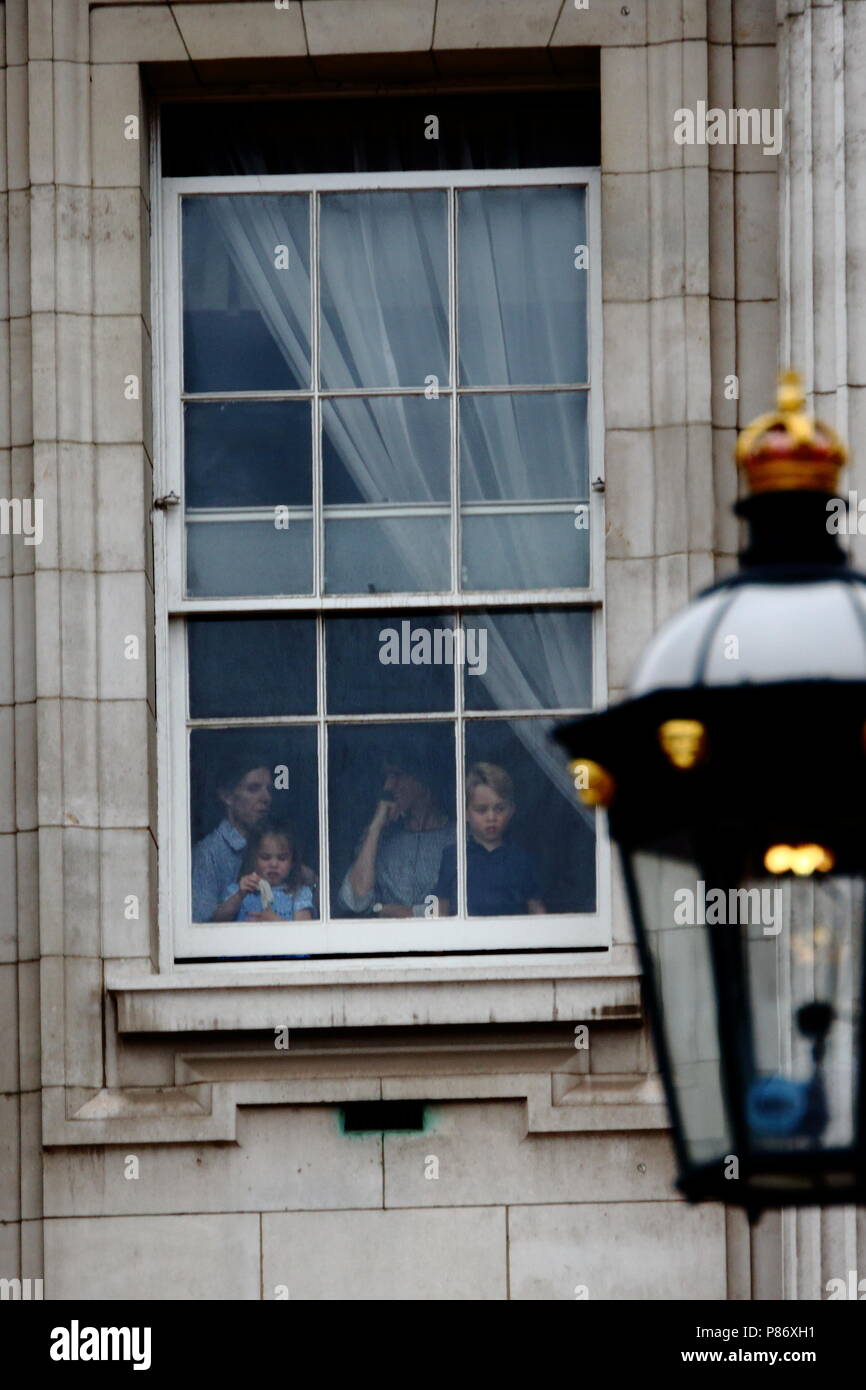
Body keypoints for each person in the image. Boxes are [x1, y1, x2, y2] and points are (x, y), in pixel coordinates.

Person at [191, 754, 316, 922]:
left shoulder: (279, 845)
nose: (266, 798)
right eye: (253, 788)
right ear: (227, 796)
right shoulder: (208, 854)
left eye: (269, 790)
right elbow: (201, 926)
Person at [339, 738, 455, 918]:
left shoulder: (457, 838)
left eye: (397, 775)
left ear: (422, 778)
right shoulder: (380, 839)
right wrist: (375, 827)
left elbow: (462, 905)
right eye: (387, 777)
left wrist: (408, 912)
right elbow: (355, 900)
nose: (389, 785)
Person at [435, 762, 546, 916]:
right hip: (467, 938)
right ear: (465, 812)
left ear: (511, 810)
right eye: (481, 810)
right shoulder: (454, 857)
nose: (491, 817)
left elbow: (536, 910)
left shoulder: (521, 859)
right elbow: (441, 909)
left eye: (500, 809)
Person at [214, 823, 314, 923]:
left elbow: (303, 933)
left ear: (292, 862)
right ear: (253, 859)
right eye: (265, 857)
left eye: (282, 858)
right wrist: (239, 895)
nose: (274, 864)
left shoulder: (298, 894)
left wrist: (276, 923)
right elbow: (216, 921)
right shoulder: (238, 891)